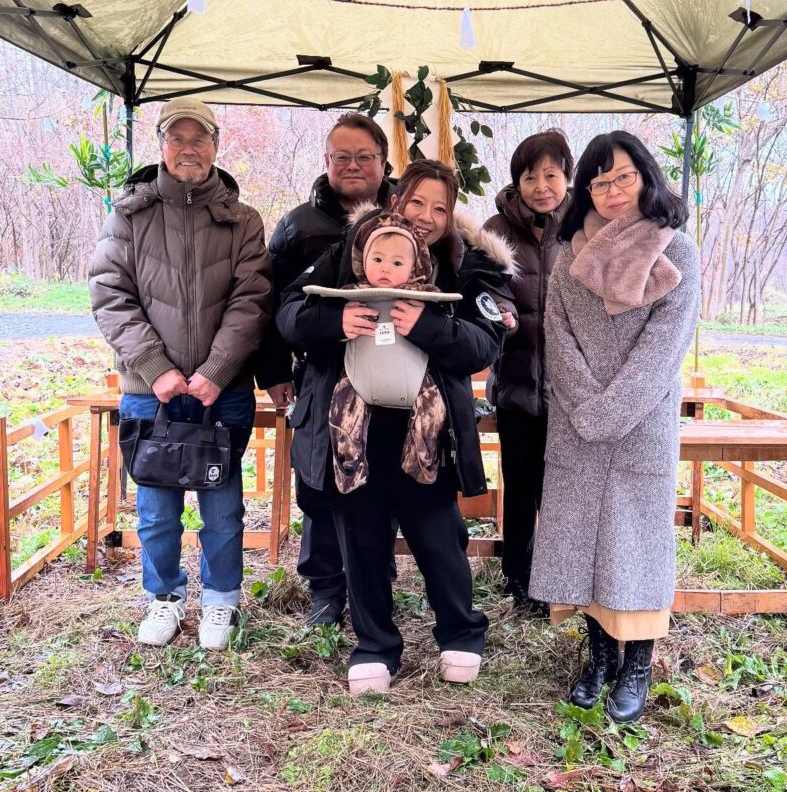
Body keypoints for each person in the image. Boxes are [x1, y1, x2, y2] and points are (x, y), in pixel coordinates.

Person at [277, 159, 515, 695]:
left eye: (440, 208)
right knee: (360, 539)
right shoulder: (353, 249)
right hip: (352, 434)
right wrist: (332, 322)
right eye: (416, 202)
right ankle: (374, 646)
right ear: (395, 201)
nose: (426, 216)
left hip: (428, 435)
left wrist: (429, 327)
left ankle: (460, 633)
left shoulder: (466, 264)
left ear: (452, 217)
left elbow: (486, 343)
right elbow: (290, 312)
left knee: (439, 538)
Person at [529, 131, 699, 723]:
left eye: (623, 177)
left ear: (646, 177)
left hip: (642, 421)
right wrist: (586, 408)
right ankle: (599, 659)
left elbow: (664, 350)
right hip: (576, 422)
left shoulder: (676, 250)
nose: (612, 191)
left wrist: (608, 412)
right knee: (584, 542)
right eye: (600, 182)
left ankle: (638, 665)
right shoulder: (567, 254)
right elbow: (557, 339)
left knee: (636, 541)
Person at [89, 97, 271, 650]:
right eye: (177, 138)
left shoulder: (242, 220)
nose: (188, 149)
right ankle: (163, 596)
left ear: (216, 146)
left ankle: (221, 600)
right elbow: (110, 295)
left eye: (199, 139)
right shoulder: (129, 214)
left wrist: (217, 369)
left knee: (223, 505)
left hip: (223, 391)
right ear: (161, 146)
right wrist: (156, 368)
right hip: (151, 392)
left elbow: (252, 300)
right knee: (156, 509)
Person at [255, 112, 395, 627]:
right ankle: (325, 588)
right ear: (326, 162)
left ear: (384, 163)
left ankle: (374, 582)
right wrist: (273, 371)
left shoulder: (404, 218)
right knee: (319, 483)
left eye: (364, 156)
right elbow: (269, 303)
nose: (353, 165)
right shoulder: (298, 226)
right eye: (342, 157)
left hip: (388, 378)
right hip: (321, 374)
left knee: (379, 480)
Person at [483, 130, 573, 614]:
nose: (541, 186)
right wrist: (500, 311)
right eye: (530, 176)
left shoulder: (583, 226)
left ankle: (557, 578)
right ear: (517, 181)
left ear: (567, 178)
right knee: (518, 485)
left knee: (560, 488)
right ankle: (518, 576)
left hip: (569, 389)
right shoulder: (496, 228)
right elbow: (484, 286)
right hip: (516, 381)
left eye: (551, 175)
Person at [324, 210, 454, 494]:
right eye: (378, 260)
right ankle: (350, 470)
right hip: (359, 376)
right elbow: (317, 309)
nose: (385, 269)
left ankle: (420, 463)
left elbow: (452, 318)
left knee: (433, 412)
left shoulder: (426, 296)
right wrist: (335, 319)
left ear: (414, 266)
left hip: (415, 379)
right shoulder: (349, 295)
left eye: (397, 263)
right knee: (341, 410)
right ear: (363, 260)